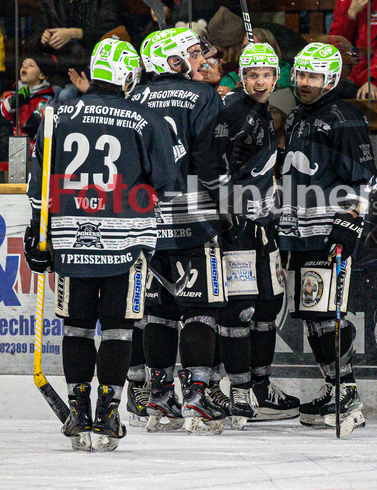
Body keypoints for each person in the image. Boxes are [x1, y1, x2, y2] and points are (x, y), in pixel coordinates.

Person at [23, 38, 183, 452]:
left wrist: (36, 232)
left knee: (76, 324)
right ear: (128, 76)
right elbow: (166, 184)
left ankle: (78, 410)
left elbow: (38, 182)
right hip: (126, 243)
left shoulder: (55, 114)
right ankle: (109, 413)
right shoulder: (146, 119)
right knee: (117, 327)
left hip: (68, 240)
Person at [130, 27, 230, 434]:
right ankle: (197, 397)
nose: (196, 58)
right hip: (194, 215)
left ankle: (158, 398)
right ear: (172, 61)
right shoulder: (204, 95)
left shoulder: (133, 98)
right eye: (187, 54)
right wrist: (228, 202)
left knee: (159, 309)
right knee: (200, 307)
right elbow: (211, 164)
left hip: (147, 219)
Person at [279, 41, 377, 432]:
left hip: (327, 230)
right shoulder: (297, 116)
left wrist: (348, 224)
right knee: (313, 316)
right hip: (300, 230)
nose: (304, 82)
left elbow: (364, 178)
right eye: (301, 74)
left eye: (313, 76)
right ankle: (336, 387)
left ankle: (346, 389)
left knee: (324, 314)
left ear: (331, 78)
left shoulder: (345, 116)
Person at [215, 43, 300, 424]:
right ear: (242, 77)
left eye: (267, 74)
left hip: (263, 223)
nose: (261, 80)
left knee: (269, 304)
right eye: (253, 74)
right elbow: (213, 162)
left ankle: (261, 386)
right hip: (237, 225)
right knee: (241, 307)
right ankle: (239, 389)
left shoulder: (263, 111)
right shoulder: (232, 109)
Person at [32, 0, 124, 96]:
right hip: (57, 74)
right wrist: (43, 39)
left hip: (93, 71)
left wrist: (75, 33)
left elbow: (113, 33)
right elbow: (32, 40)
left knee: (65, 95)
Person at [0, 56, 57, 143]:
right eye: (23, 65)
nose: (24, 67)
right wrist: (12, 103)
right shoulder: (9, 95)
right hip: (9, 146)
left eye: (31, 65)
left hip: (33, 149)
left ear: (42, 75)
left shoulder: (47, 100)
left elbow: (42, 130)